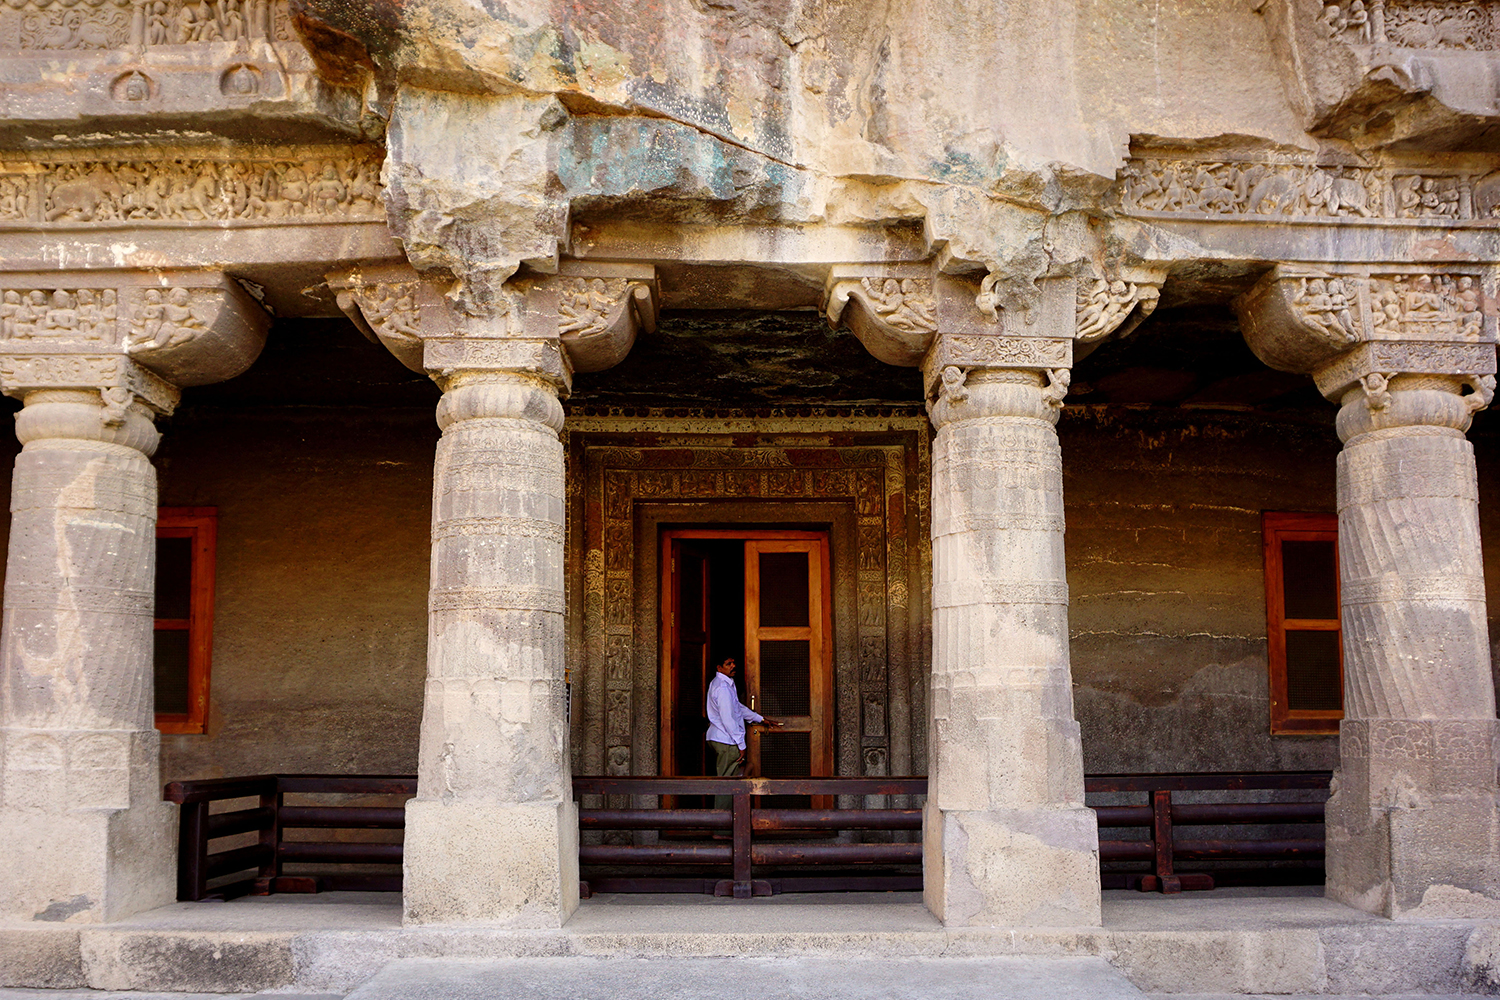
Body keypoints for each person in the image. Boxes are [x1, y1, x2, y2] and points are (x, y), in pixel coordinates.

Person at [705, 657, 781, 810]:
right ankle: (721, 828)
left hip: (721, 738)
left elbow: (738, 708)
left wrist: (760, 719)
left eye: (733, 662)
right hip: (726, 740)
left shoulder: (724, 684)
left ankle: (724, 825)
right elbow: (728, 719)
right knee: (727, 785)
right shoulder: (723, 688)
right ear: (719, 668)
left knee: (728, 781)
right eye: (728, 664)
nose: (733, 666)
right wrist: (741, 743)